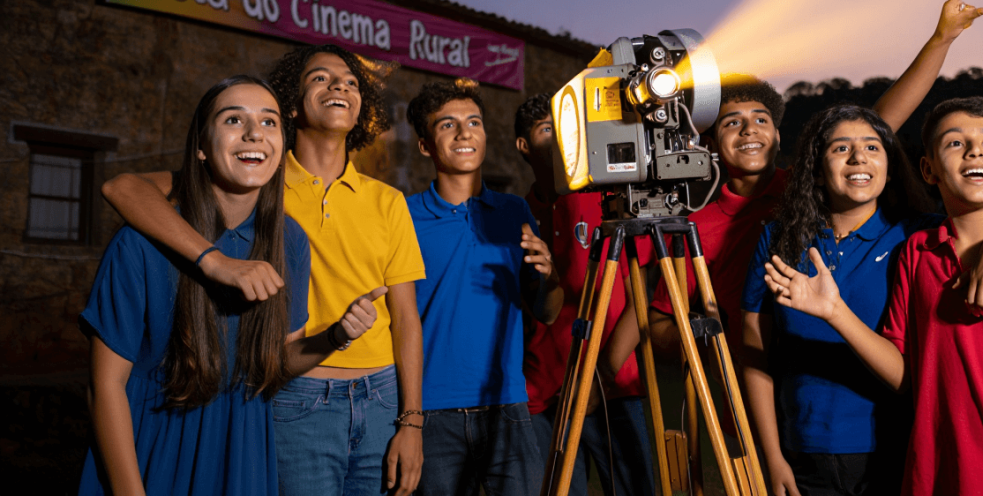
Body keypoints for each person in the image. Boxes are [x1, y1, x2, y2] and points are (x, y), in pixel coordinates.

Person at [603, 0, 983, 432]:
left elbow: (881, 121)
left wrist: (940, 40)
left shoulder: (808, 188)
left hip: (824, 387)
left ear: (778, 135)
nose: (749, 130)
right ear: (708, 143)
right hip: (753, 390)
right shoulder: (698, 225)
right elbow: (652, 317)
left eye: (761, 120)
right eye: (732, 123)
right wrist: (690, 337)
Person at [100, 45, 426, 496]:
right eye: (321, 78)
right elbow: (124, 187)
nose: (340, 85)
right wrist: (215, 261)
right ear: (292, 104)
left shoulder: (371, 205)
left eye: (351, 82)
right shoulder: (251, 179)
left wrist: (410, 418)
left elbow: (405, 318)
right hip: (284, 397)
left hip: (368, 397)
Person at [763, 97, 983, 496]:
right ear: (928, 170)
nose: (975, 151)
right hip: (933, 481)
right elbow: (905, 376)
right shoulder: (917, 253)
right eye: (955, 142)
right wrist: (835, 311)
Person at [404, 79, 562, 496]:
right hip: (431, 411)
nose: (464, 133)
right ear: (425, 145)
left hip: (506, 405)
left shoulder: (514, 211)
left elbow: (547, 311)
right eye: (447, 125)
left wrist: (549, 276)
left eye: (474, 122)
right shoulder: (404, 217)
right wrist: (409, 419)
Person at [514, 92, 655, 496]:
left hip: (611, 387)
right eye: (547, 130)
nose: (560, 139)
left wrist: (601, 375)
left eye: (566, 129)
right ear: (524, 146)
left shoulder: (607, 201)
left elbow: (641, 294)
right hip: (544, 393)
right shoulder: (518, 213)